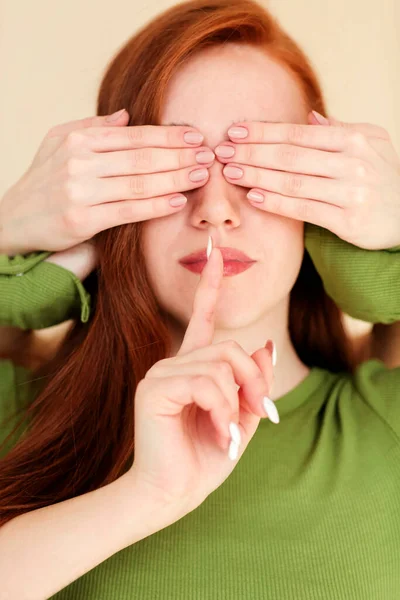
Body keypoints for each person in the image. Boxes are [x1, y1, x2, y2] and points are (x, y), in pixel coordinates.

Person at [1, 0, 400, 597]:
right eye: (171, 168)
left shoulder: (384, 421)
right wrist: (10, 224)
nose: (214, 209)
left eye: (257, 168)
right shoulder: (17, 411)